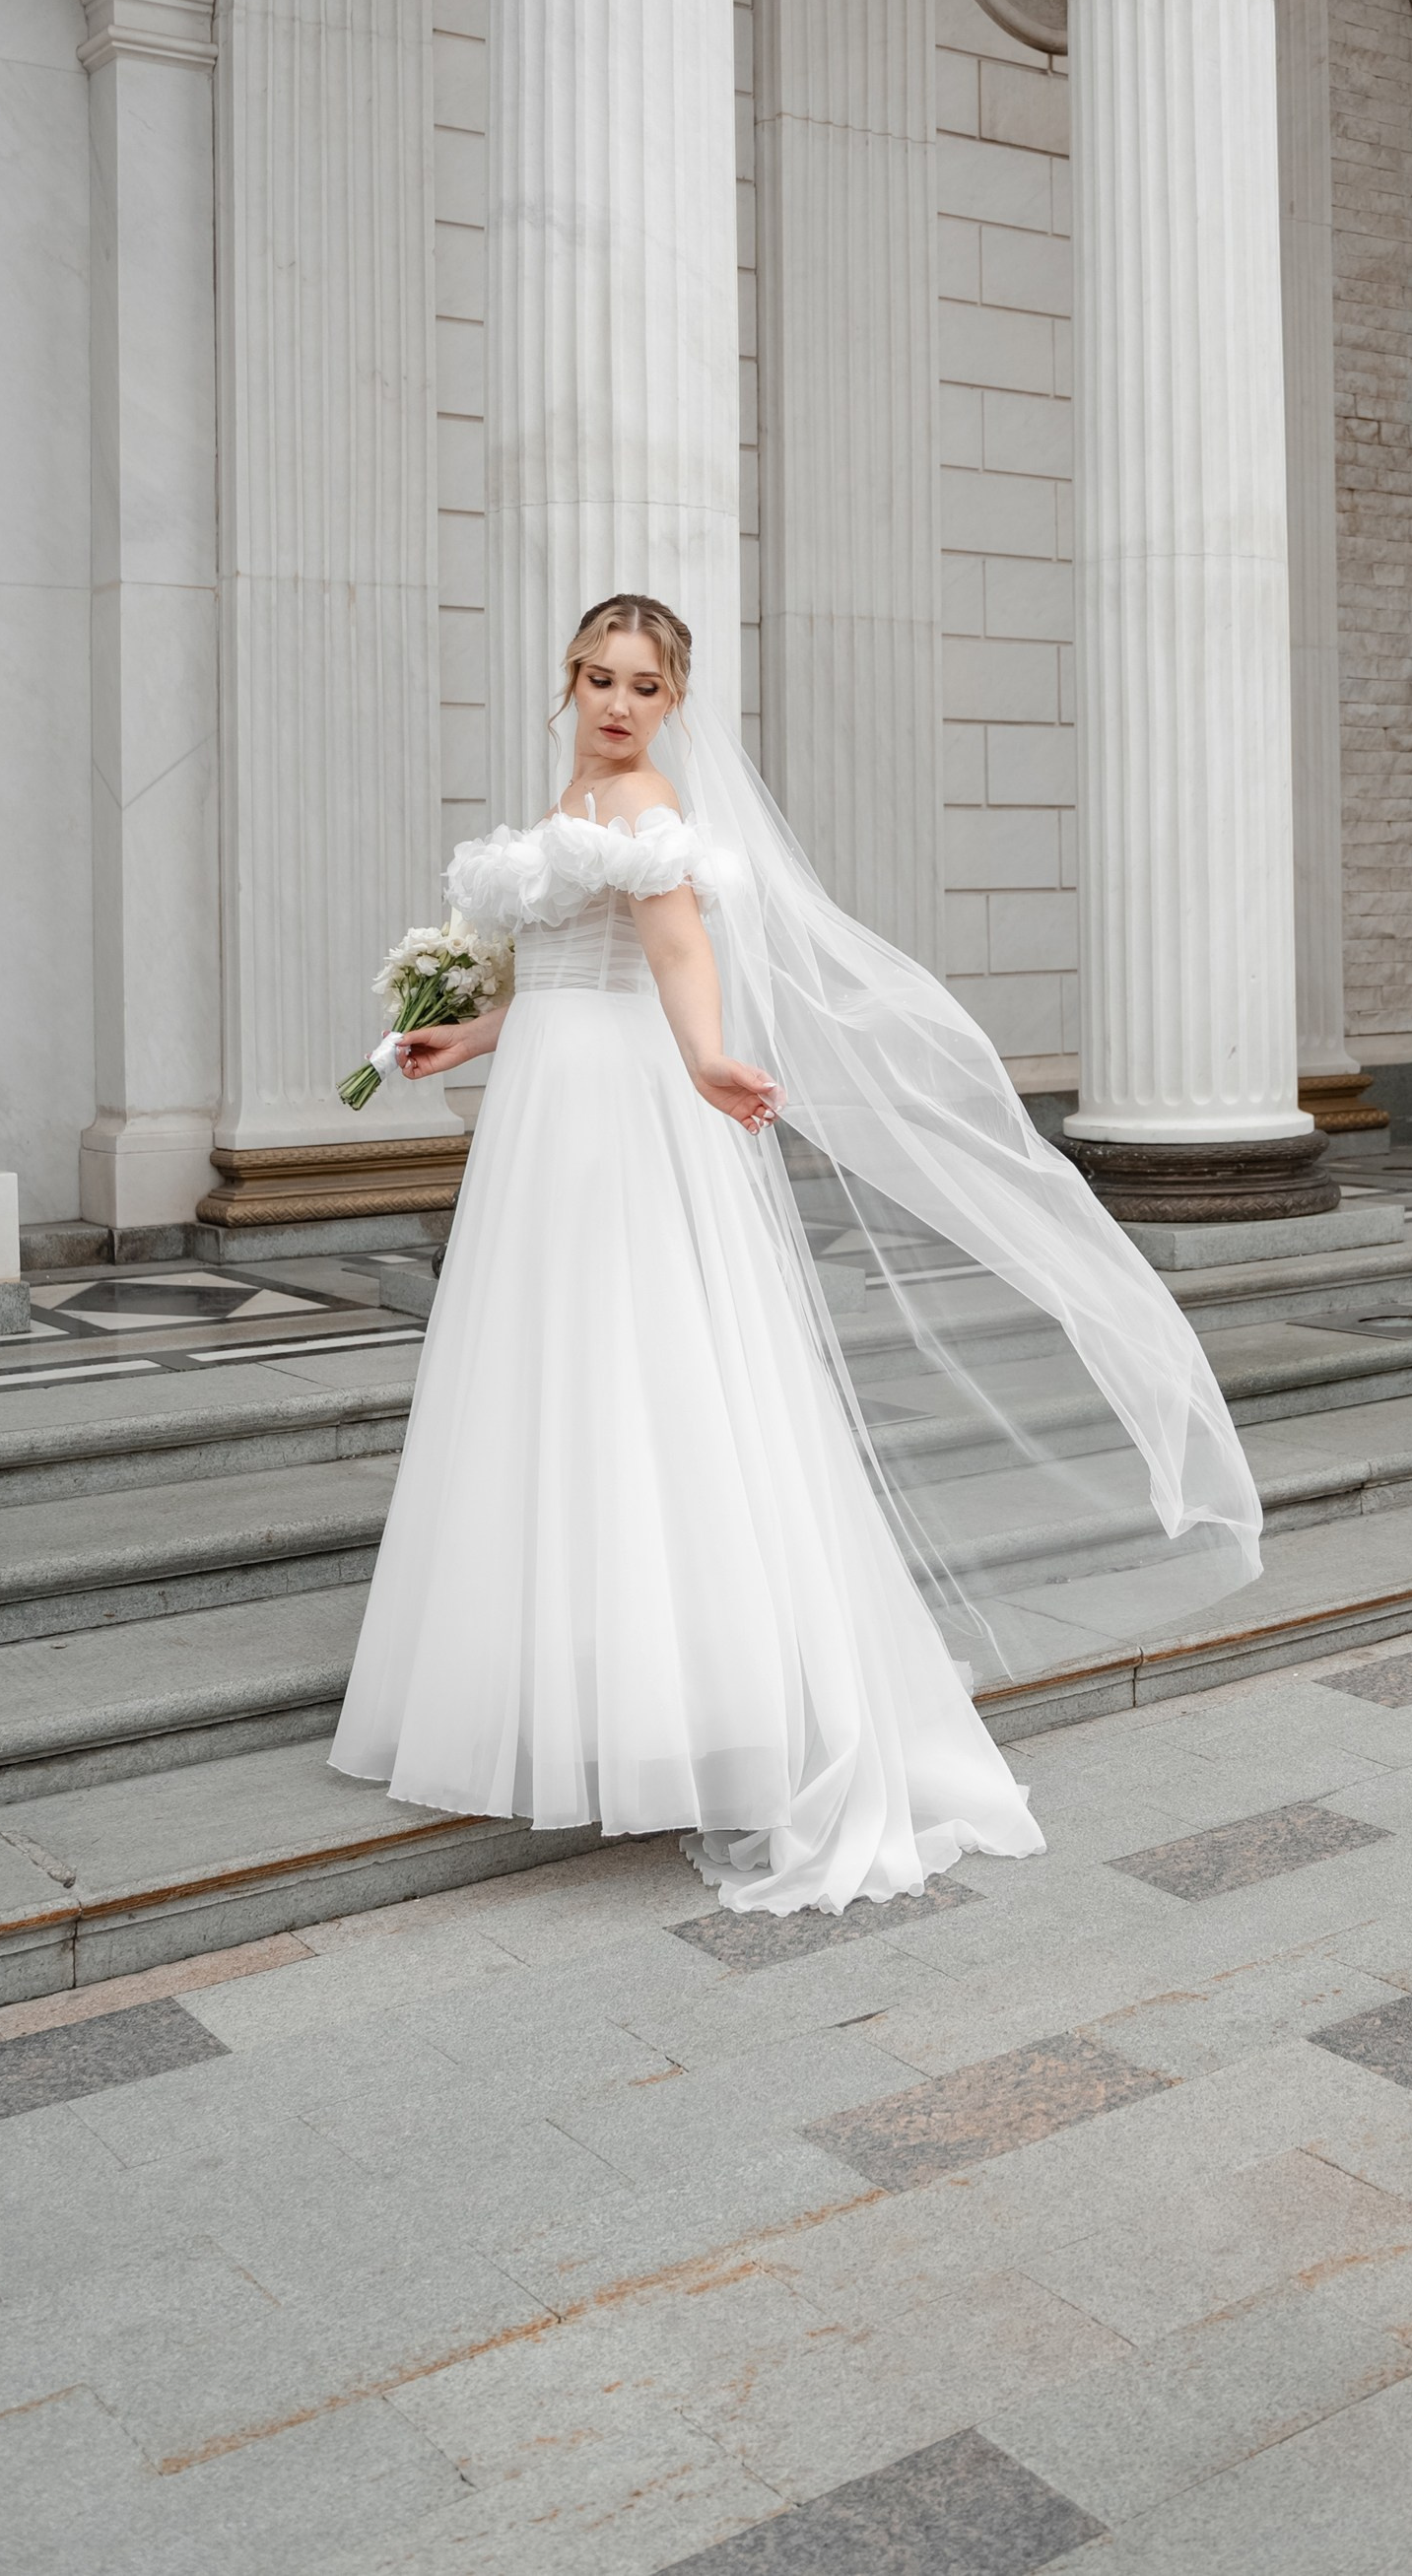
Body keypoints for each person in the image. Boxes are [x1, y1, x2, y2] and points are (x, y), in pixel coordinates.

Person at [330, 593, 1261, 1913]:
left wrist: (708, 1056)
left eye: (642, 686)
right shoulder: (574, 802)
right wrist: (460, 1039)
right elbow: (555, 971)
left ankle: (675, 1702)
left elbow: (675, 952)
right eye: (596, 677)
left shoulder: (644, 811)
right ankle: (570, 1681)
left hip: (615, 1115)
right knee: (552, 1374)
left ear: (675, 701)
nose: (614, 703)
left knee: (632, 1365)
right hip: (547, 1093)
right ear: (568, 682)